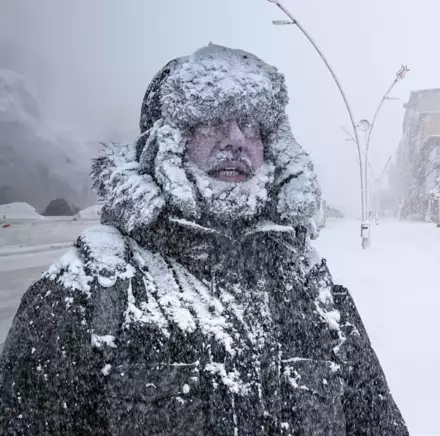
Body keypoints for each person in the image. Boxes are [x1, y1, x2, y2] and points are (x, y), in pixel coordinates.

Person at [0, 44, 409, 435]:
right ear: (167, 143)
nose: (235, 138)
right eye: (211, 120)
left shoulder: (313, 288)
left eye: (250, 124)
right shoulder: (89, 291)